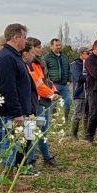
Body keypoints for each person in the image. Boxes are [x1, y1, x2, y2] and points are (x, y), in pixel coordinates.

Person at [0, 23, 40, 177]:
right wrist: (17, 113)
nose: (25, 41)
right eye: (24, 37)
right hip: (12, 111)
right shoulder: (7, 57)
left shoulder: (14, 55)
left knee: (14, 143)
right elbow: (9, 88)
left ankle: (9, 176)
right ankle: (5, 179)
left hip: (20, 109)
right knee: (10, 143)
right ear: (16, 37)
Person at [24, 38, 61, 167]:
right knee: (33, 132)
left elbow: (47, 80)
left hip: (45, 101)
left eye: (41, 47)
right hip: (37, 102)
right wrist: (50, 94)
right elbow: (37, 84)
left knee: (43, 131)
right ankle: (30, 160)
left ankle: (46, 156)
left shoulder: (41, 63)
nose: (41, 49)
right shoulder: (30, 65)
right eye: (38, 47)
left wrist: (54, 91)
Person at [45, 37, 72, 120]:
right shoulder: (47, 57)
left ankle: (65, 119)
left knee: (68, 101)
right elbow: (45, 71)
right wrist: (48, 82)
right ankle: (53, 120)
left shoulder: (64, 56)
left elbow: (68, 68)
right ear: (51, 46)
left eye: (60, 45)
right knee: (53, 104)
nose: (58, 47)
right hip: (53, 84)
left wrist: (69, 79)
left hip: (64, 84)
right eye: (56, 45)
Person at [69, 47, 89, 139]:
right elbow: (78, 77)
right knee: (78, 113)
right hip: (80, 92)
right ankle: (73, 134)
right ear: (81, 54)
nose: (89, 55)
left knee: (88, 114)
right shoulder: (75, 64)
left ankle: (87, 133)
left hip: (89, 92)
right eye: (87, 53)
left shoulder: (89, 63)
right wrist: (92, 77)